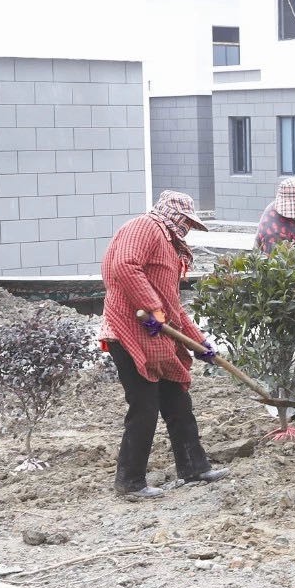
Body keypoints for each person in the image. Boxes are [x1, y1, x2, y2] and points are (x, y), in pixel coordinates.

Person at [99, 191, 230, 499]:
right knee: (144, 407)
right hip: (128, 331)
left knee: (178, 403)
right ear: (173, 216)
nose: (186, 228)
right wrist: (151, 307)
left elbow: (173, 309)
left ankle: (193, 468)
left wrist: (201, 345)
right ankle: (130, 482)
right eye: (185, 222)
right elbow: (123, 266)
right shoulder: (146, 226)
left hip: (156, 335)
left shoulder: (170, 246)